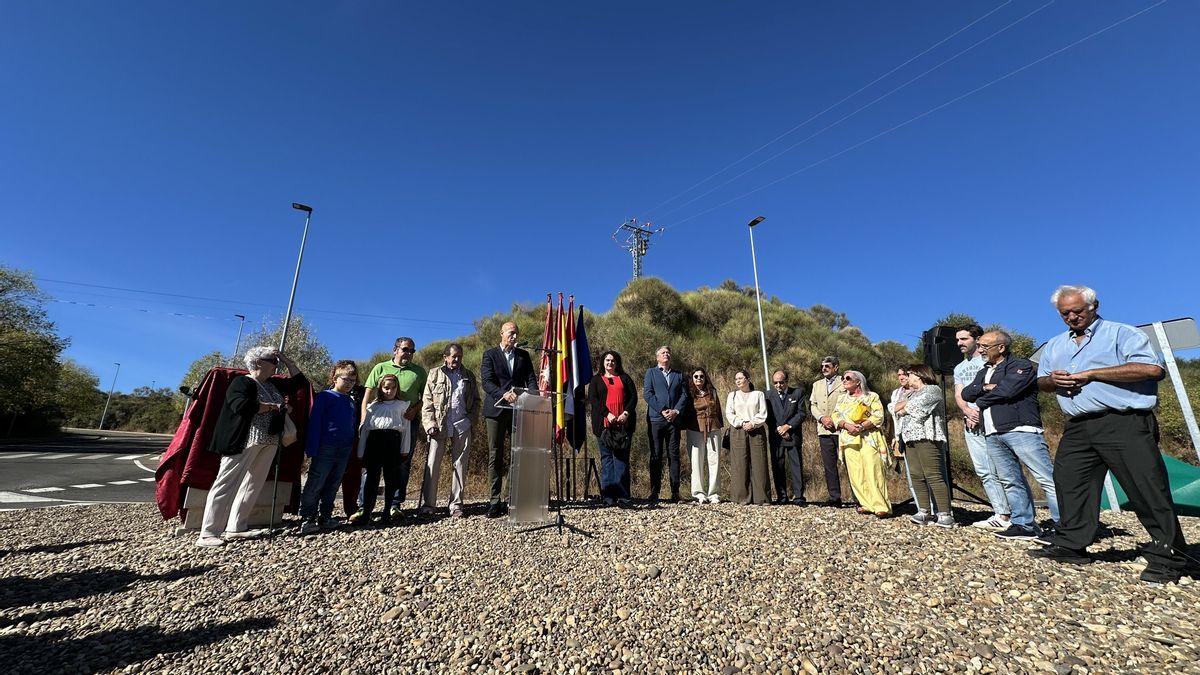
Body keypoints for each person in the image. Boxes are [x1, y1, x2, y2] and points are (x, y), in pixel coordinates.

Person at [1029, 285, 1189, 585]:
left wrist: (1092, 373)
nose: (1072, 317)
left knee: (1145, 487)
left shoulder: (1121, 333)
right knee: (1069, 481)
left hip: (1124, 421)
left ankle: (1168, 555)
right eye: (1065, 313)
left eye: (1078, 310)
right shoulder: (1055, 345)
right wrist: (1054, 381)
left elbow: (1152, 370)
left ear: (1094, 306)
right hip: (1078, 425)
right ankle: (1071, 544)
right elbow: (1043, 383)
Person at [197, 347, 306, 547]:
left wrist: (287, 359)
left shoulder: (273, 385)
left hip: (270, 440)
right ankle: (208, 532)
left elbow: (300, 383)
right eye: (271, 360)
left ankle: (236, 526)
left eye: (276, 360)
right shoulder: (242, 382)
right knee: (226, 482)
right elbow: (241, 405)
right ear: (258, 363)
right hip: (243, 439)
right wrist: (273, 407)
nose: (276, 364)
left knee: (253, 483)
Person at [962, 330, 1060, 541]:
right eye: (980, 346)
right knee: (1010, 480)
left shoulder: (1021, 365)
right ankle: (1023, 524)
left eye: (985, 347)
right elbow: (966, 393)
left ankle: (1064, 526)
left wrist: (981, 399)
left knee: (1046, 478)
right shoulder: (984, 370)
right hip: (992, 432)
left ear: (1001, 347)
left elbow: (1007, 391)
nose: (980, 350)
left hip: (1021, 429)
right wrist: (987, 387)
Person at [361, 337, 428, 518]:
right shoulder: (380, 368)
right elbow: (367, 394)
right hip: (379, 422)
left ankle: (395, 504)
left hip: (406, 421)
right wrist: (363, 419)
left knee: (402, 462)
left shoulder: (419, 372)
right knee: (370, 465)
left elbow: (426, 396)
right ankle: (364, 505)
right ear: (395, 350)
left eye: (412, 351)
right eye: (405, 349)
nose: (408, 354)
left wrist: (415, 410)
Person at [954, 324, 1012, 530]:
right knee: (984, 470)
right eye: (958, 340)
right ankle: (1001, 513)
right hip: (970, 422)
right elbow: (959, 394)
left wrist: (977, 409)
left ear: (977, 339)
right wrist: (966, 411)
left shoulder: (990, 360)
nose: (959, 343)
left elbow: (1000, 387)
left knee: (1004, 467)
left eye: (964, 339)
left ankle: (1018, 514)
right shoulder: (959, 368)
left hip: (993, 418)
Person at [480, 322, 538, 518]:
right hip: (496, 410)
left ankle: (511, 498)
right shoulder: (490, 354)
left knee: (517, 454)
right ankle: (494, 501)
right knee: (495, 454)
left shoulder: (523, 356)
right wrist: (503, 394)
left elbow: (531, 379)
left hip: (518, 410)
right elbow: (487, 381)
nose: (514, 336)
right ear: (502, 333)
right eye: (511, 333)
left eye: (516, 333)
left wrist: (530, 396)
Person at [299, 360, 359, 534]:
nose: (349, 384)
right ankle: (307, 516)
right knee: (316, 481)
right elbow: (315, 422)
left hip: (344, 448)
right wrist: (311, 447)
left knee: (333, 483)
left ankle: (325, 515)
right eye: (346, 379)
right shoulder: (325, 397)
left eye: (352, 381)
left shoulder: (350, 401)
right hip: (326, 446)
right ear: (335, 378)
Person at [420, 343, 479, 518]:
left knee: (460, 464)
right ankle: (428, 505)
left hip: (462, 424)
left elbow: (476, 400)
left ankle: (456, 504)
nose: (457, 359)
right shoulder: (434, 373)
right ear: (445, 357)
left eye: (460, 356)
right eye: (453, 356)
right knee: (433, 464)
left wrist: (471, 420)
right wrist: (429, 423)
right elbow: (427, 401)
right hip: (439, 425)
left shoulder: (468, 375)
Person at [894, 364, 952, 527]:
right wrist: (902, 407)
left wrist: (903, 408)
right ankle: (924, 511)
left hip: (928, 437)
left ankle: (944, 514)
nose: (907, 378)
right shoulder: (911, 394)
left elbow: (917, 408)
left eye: (910, 374)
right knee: (917, 475)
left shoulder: (932, 390)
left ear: (919, 375)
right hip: (910, 439)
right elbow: (894, 407)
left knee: (933, 474)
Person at [350, 374, 410, 526]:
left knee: (391, 478)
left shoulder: (402, 405)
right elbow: (365, 430)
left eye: (393, 388)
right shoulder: (373, 407)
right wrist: (360, 451)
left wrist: (405, 448)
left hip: (393, 442)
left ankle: (387, 511)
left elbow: (406, 429)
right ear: (381, 389)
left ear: (397, 389)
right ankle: (366, 512)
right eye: (386, 388)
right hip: (374, 443)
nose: (389, 391)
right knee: (371, 478)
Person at [832, 370, 891, 518]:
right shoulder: (841, 399)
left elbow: (879, 415)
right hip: (849, 439)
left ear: (858, 381)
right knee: (856, 473)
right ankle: (866, 503)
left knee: (873, 470)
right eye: (843, 378)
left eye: (848, 378)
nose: (844, 380)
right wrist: (845, 425)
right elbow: (835, 415)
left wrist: (862, 426)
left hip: (868, 437)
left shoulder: (872, 397)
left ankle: (881, 505)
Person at [587, 350, 638, 505]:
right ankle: (608, 496)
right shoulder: (596, 380)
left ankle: (623, 496)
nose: (610, 363)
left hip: (623, 425)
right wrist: (607, 414)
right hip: (604, 426)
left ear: (617, 363)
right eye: (607, 360)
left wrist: (626, 413)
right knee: (607, 459)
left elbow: (633, 397)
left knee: (621, 459)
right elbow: (593, 400)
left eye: (613, 361)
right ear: (603, 362)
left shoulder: (625, 378)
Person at [643, 345, 690, 503]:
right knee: (656, 455)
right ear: (657, 357)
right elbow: (648, 394)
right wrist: (663, 410)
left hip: (674, 421)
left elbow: (684, 395)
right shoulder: (651, 373)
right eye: (663, 353)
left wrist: (676, 411)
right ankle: (654, 492)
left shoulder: (679, 374)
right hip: (656, 420)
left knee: (674, 456)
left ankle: (675, 492)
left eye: (668, 352)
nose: (666, 354)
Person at [725, 370, 770, 505]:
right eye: (736, 379)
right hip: (738, 430)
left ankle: (761, 498)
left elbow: (763, 412)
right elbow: (729, 412)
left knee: (759, 462)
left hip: (756, 430)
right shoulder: (732, 395)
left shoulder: (758, 394)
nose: (738, 381)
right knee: (740, 463)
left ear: (748, 379)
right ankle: (741, 498)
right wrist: (741, 423)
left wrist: (753, 423)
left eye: (740, 378)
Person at [809, 356, 848, 506]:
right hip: (824, 430)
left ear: (836, 367)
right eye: (822, 366)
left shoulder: (845, 382)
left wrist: (835, 420)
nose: (824, 368)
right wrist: (821, 418)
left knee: (849, 463)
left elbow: (848, 403)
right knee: (829, 465)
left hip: (842, 430)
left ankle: (859, 498)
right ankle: (835, 497)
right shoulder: (817, 385)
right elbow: (813, 405)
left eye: (827, 366)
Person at [681, 367, 723, 504]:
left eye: (701, 376)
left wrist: (719, 425)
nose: (699, 379)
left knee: (714, 460)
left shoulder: (713, 392)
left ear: (705, 378)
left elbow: (718, 410)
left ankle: (714, 493)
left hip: (713, 427)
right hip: (695, 428)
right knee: (696, 461)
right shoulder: (688, 394)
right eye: (696, 376)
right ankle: (699, 493)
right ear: (692, 379)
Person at [766, 369, 807, 505]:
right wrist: (779, 428)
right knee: (778, 465)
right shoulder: (768, 395)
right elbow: (768, 416)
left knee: (796, 465)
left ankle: (799, 496)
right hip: (776, 436)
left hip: (793, 434)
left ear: (787, 381)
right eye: (775, 383)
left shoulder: (797, 393)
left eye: (781, 382)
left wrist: (788, 426)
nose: (778, 385)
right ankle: (782, 496)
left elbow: (801, 414)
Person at [887, 366, 924, 514]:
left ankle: (934, 507)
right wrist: (894, 436)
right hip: (901, 434)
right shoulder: (896, 393)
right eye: (899, 375)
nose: (902, 377)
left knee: (925, 471)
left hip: (919, 434)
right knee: (911, 473)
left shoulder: (921, 390)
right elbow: (892, 410)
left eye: (905, 374)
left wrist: (901, 407)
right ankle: (921, 506)